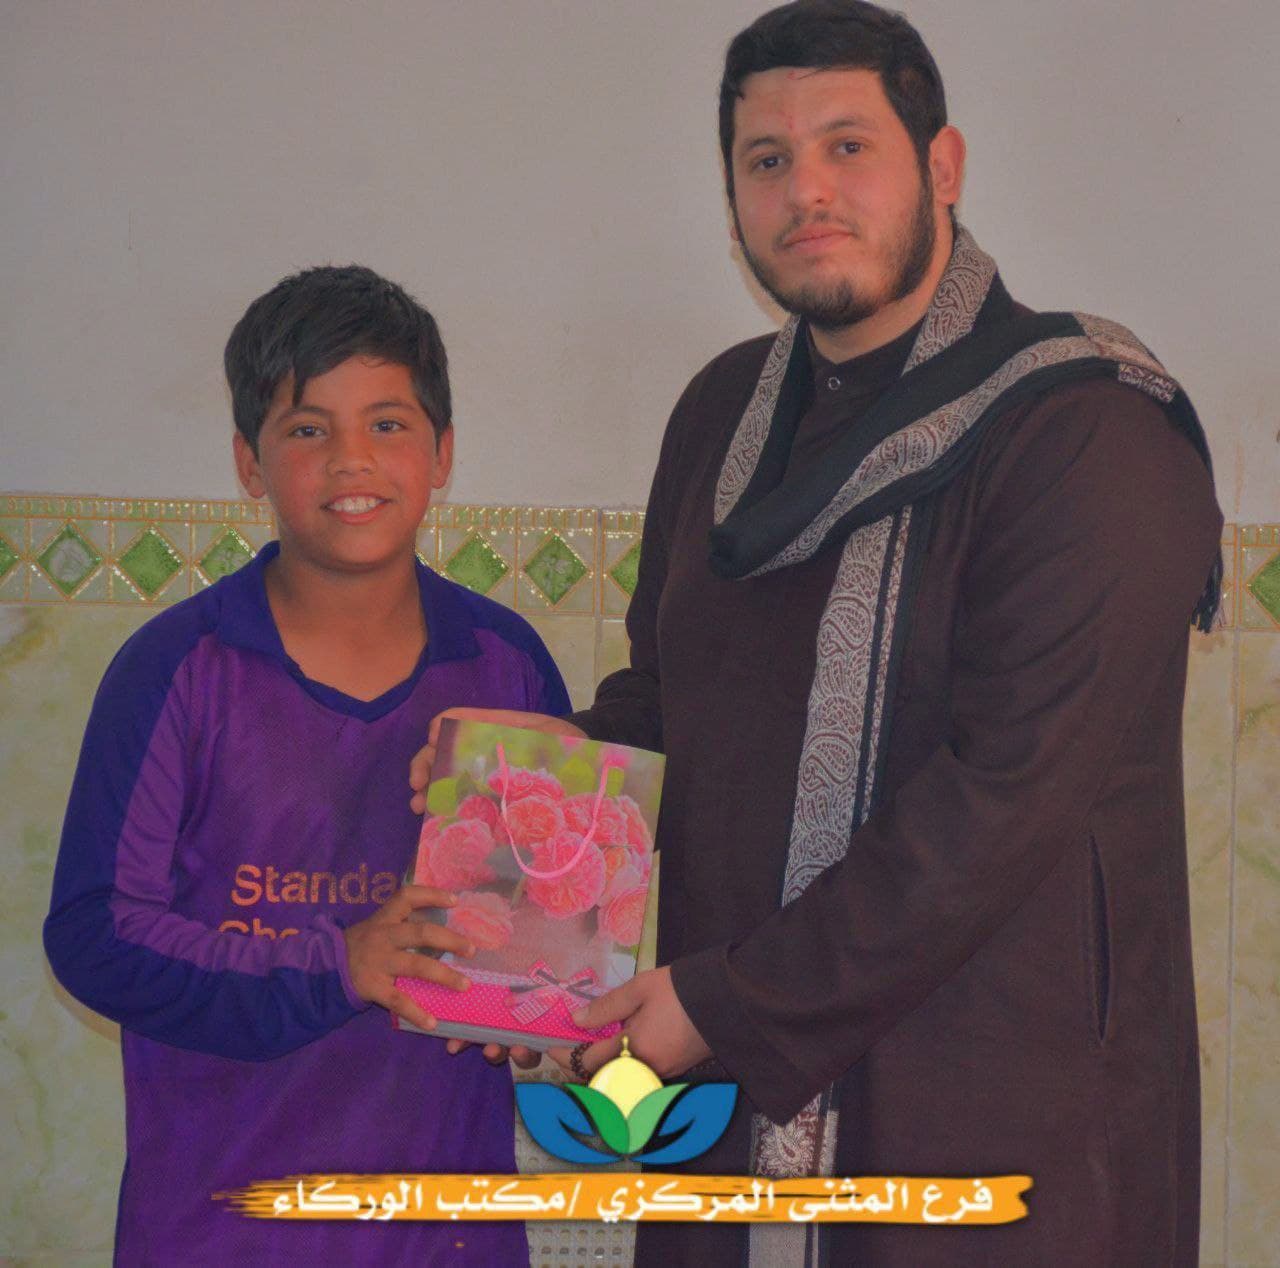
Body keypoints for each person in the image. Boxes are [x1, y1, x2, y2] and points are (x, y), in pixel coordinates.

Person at [413, 3, 1223, 1264]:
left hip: (993, 1115)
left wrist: (721, 1001)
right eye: (766, 158)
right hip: (728, 1102)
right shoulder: (720, 413)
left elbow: (1000, 801)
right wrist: (532, 789)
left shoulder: (1086, 430)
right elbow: (669, 703)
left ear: (940, 166)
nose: (806, 192)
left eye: (848, 146)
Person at [43, 265, 568, 1265]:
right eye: (307, 428)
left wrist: (547, 1007)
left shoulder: (506, 664)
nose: (350, 459)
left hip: (444, 1232)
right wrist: (339, 965)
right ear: (250, 462)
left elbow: (542, 938)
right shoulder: (175, 669)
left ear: (443, 452)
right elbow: (95, 934)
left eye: (387, 423)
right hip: (220, 1227)